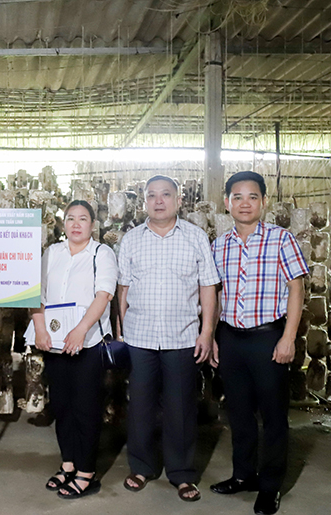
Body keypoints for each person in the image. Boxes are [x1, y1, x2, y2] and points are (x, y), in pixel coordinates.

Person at [209, 171, 308, 515]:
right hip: (231, 339)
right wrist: (214, 337)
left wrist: (288, 338)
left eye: (252, 197)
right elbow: (216, 294)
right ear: (227, 203)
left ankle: (269, 487)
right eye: (237, 197)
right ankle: (242, 475)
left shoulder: (282, 240)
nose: (245, 203)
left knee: (273, 416)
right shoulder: (219, 245)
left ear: (264, 202)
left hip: (268, 338)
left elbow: (297, 289)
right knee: (238, 413)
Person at [117, 175, 220, 502]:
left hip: (183, 336)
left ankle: (182, 473)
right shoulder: (131, 239)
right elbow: (123, 289)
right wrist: (121, 332)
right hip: (140, 337)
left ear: (179, 200)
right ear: (143, 202)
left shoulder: (195, 237)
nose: (158, 201)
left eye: (165, 195)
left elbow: (208, 287)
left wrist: (207, 332)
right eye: (151, 195)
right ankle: (141, 466)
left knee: (180, 408)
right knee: (140, 406)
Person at [32, 200, 117, 499]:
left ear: (93, 224)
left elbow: (103, 294)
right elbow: (36, 293)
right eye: (70, 219)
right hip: (53, 342)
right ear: (63, 223)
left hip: (87, 342)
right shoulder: (51, 253)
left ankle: (86, 471)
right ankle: (67, 462)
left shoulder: (101, 253)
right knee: (62, 406)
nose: (76, 224)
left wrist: (80, 330)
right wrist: (40, 329)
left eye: (83, 218)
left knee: (86, 407)